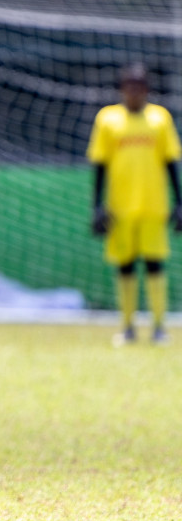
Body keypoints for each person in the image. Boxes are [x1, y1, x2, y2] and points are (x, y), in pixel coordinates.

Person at [88, 62, 182, 346]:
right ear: (121, 89)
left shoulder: (160, 119)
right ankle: (127, 327)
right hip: (120, 209)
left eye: (139, 87)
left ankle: (158, 327)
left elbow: (171, 162)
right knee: (124, 266)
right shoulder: (107, 119)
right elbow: (100, 165)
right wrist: (97, 206)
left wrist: (179, 203)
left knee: (155, 265)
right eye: (129, 86)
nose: (134, 92)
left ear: (147, 90)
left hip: (154, 207)